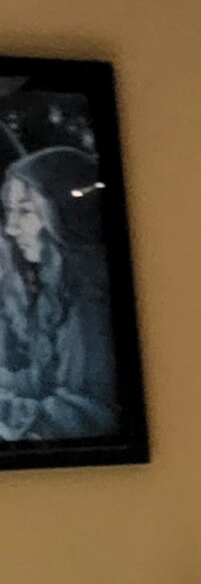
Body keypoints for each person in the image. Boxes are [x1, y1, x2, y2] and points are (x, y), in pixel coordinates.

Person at [0, 146, 119, 443]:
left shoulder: (89, 297)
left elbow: (85, 415)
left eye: (25, 211)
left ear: (62, 214)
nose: (11, 229)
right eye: (9, 212)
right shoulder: (55, 286)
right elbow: (43, 378)